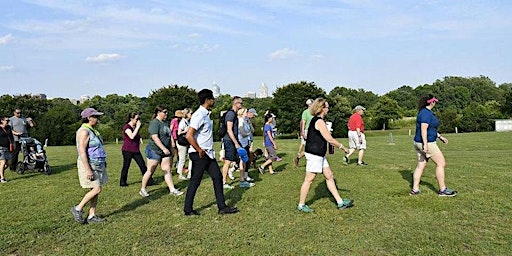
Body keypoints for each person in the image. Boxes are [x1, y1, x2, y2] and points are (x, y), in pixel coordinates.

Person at [183, 89, 239, 215]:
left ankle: (222, 207)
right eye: (212, 98)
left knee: (217, 177)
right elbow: (189, 135)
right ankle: (188, 209)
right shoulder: (199, 115)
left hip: (208, 153)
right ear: (207, 100)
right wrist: (199, 149)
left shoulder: (206, 114)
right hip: (200, 154)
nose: (214, 100)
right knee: (195, 181)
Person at [297, 98, 354, 213]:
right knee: (309, 179)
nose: (328, 109)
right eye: (327, 107)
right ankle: (301, 205)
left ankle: (340, 202)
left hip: (319, 155)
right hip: (314, 154)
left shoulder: (317, 120)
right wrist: (343, 147)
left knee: (329, 176)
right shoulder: (319, 121)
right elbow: (329, 139)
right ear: (322, 108)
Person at [410, 95, 457, 197]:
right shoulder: (426, 113)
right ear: (431, 102)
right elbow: (424, 129)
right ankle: (443, 190)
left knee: (420, 165)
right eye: (435, 101)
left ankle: (415, 190)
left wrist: (440, 137)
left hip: (418, 142)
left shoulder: (423, 112)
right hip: (427, 143)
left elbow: (431, 129)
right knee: (441, 163)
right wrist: (426, 145)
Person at [70, 108, 108, 224]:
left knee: (96, 189)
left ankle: (92, 215)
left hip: (97, 163)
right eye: (95, 117)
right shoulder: (84, 131)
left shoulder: (93, 130)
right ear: (88, 118)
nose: (97, 119)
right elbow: (82, 151)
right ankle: (78, 208)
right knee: (97, 189)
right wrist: (88, 170)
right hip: (89, 164)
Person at [139, 105, 183, 197]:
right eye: (164, 112)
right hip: (154, 150)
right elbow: (155, 137)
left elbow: (169, 134)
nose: (166, 114)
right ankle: (143, 189)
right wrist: (163, 148)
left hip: (166, 151)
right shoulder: (155, 123)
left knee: (167, 170)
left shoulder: (165, 123)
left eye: (167, 112)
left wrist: (171, 144)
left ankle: (172, 189)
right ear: (159, 113)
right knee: (151, 170)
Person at [120, 112, 150, 187]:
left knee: (142, 165)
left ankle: (149, 181)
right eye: (137, 119)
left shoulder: (134, 127)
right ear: (131, 119)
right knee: (126, 166)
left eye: (139, 119)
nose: (138, 121)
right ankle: (123, 182)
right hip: (127, 150)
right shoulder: (127, 127)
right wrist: (137, 127)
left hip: (135, 150)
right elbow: (131, 136)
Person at [221, 96, 243, 189]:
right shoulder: (231, 114)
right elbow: (229, 130)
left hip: (232, 140)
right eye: (241, 103)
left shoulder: (234, 114)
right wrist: (236, 143)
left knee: (242, 157)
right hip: (229, 140)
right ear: (236, 104)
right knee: (228, 161)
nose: (242, 105)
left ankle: (242, 180)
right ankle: (224, 182)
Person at [237, 108, 255, 187]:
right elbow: (242, 133)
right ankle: (242, 180)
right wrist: (248, 133)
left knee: (245, 161)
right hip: (241, 143)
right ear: (242, 113)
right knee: (242, 161)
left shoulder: (245, 120)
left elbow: (252, 130)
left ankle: (244, 178)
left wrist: (250, 124)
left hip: (246, 143)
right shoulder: (240, 121)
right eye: (246, 112)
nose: (247, 113)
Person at [294, 99, 314, 167]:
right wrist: (302, 132)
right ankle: (299, 157)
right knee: (309, 148)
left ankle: (299, 157)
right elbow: (303, 122)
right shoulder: (305, 112)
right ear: (310, 104)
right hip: (307, 131)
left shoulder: (315, 112)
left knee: (312, 148)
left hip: (314, 131)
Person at [176, 108, 193, 180]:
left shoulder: (188, 121)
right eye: (190, 113)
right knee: (182, 159)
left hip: (187, 141)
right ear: (186, 114)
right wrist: (185, 131)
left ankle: (190, 172)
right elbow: (179, 133)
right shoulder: (183, 122)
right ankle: (180, 173)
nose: (191, 115)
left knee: (191, 157)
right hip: (182, 142)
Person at [0, 116, 14, 183]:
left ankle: (0, 174)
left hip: (8, 148)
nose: (8, 122)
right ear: (2, 120)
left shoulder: (8, 127)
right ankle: (2, 178)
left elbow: (11, 136)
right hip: (1, 148)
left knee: (8, 164)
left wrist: (12, 144)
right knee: (2, 162)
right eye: (6, 120)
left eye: (8, 120)